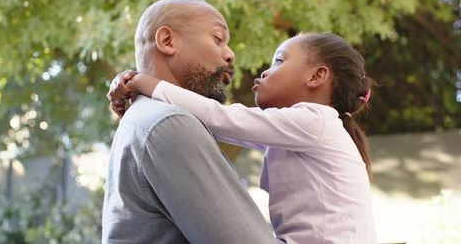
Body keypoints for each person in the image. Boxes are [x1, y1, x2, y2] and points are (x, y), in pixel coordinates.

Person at [110, 33, 378, 243]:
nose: (264, 71)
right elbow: (209, 125)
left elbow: (218, 118)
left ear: (317, 75)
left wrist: (143, 83)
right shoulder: (303, 129)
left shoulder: (314, 121)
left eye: (279, 61)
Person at [103, 0, 277, 244]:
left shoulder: (144, 117)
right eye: (217, 39)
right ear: (167, 41)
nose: (230, 55)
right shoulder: (169, 123)